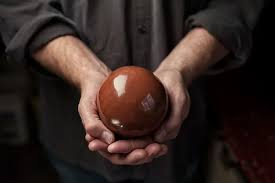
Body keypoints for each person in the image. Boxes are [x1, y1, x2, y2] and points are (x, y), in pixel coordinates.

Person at [0, 0, 263, 182]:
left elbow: (234, 6)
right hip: (75, 143)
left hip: (179, 144)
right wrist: (86, 73)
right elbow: (19, 8)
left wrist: (178, 69)